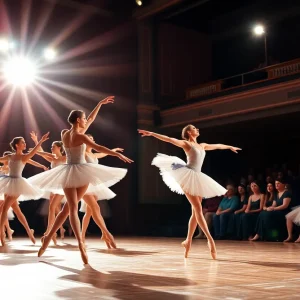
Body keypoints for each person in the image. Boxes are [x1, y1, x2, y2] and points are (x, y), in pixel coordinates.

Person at [29, 107, 133, 264]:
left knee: (67, 209)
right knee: (72, 209)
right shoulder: (81, 137)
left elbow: (90, 120)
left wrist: (100, 104)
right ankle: (80, 244)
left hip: (70, 171)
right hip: (81, 171)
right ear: (78, 120)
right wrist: (116, 154)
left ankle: (48, 237)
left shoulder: (65, 134)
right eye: (83, 118)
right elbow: (99, 148)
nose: (86, 120)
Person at [138, 124, 241, 259]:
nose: (197, 129)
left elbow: (216, 145)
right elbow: (169, 139)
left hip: (197, 176)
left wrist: (229, 147)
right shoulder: (186, 144)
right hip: (187, 176)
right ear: (188, 132)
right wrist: (152, 133)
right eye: (194, 128)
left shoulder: (202, 145)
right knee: (198, 208)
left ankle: (188, 241)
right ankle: (210, 239)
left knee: (195, 211)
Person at [0, 134, 49, 246]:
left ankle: (2, 236)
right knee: (16, 210)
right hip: (8, 182)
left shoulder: (24, 157)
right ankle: (28, 231)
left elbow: (33, 153)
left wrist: (40, 141)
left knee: (4, 208)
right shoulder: (10, 156)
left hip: (18, 183)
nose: (25, 144)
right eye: (23, 142)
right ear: (17, 145)